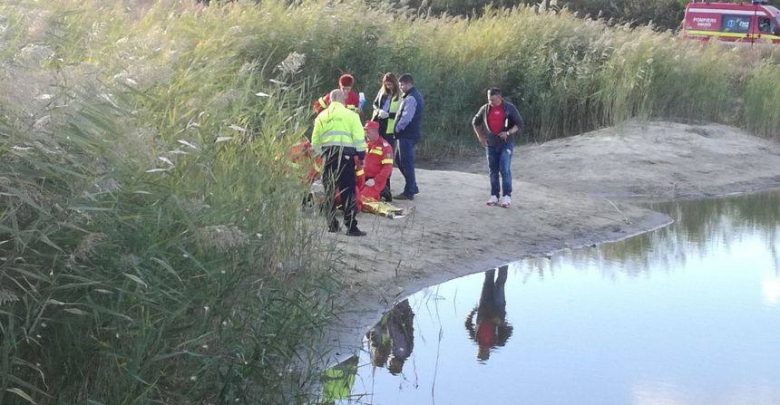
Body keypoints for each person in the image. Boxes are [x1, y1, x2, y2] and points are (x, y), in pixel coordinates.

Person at [311, 89, 367, 237]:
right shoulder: (351, 116)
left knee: (329, 191)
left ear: (329, 100)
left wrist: (321, 155)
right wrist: (361, 155)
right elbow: (359, 138)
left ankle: (332, 224)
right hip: (346, 157)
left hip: (328, 156)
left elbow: (315, 141)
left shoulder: (322, 116)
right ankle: (351, 226)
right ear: (344, 100)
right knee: (348, 191)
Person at [472, 88, 524, 208]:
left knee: (504, 168)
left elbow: (519, 124)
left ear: (500, 98)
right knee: (493, 170)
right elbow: (475, 122)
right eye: (489, 99)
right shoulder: (485, 108)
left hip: (506, 143)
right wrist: (480, 136)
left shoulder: (509, 108)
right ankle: (494, 195)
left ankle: (507, 196)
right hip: (490, 143)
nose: (491, 102)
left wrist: (508, 133)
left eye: (493, 100)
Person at [464, 266, 513, 361]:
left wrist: (474, 312)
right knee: (500, 283)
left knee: (488, 280)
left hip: (484, 306)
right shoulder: (499, 342)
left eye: (480, 352)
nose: (482, 350)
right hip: (498, 308)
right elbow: (510, 329)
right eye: (484, 353)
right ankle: (504, 261)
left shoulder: (476, 338)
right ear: (488, 353)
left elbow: (467, 324)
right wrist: (500, 323)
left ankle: (493, 259)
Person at [371, 73, 402, 202]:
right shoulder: (381, 92)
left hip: (390, 130)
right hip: (379, 126)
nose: (388, 86)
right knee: (375, 157)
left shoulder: (399, 96)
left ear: (394, 83)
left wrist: (388, 114)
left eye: (390, 84)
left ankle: (386, 188)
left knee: (387, 160)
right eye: (386, 84)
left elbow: (400, 113)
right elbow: (374, 104)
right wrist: (379, 112)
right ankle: (378, 188)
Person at [393, 73, 424, 201]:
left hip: (406, 135)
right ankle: (412, 186)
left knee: (406, 163)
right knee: (401, 160)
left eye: (401, 84)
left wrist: (396, 129)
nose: (400, 87)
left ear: (408, 83)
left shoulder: (411, 98)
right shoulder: (414, 95)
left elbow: (406, 118)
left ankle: (409, 191)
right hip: (409, 134)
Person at [366, 299, 415, 375]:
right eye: (392, 365)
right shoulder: (401, 352)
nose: (390, 362)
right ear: (398, 366)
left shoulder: (398, 352)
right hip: (399, 311)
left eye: (390, 364)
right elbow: (397, 333)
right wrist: (391, 320)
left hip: (399, 312)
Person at [358, 121, 394, 203]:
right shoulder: (365, 144)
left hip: (375, 180)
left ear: (375, 132)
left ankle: (383, 191)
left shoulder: (385, 147)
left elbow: (387, 169)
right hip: (363, 179)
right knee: (349, 194)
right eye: (365, 132)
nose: (366, 134)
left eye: (368, 132)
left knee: (361, 199)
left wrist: (376, 180)